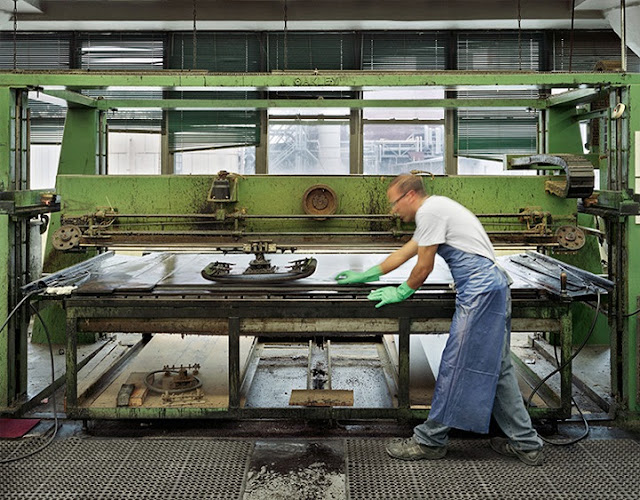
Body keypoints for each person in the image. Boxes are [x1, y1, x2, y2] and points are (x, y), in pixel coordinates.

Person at [334, 173, 544, 466]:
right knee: (498, 369)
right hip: (492, 289)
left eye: (394, 203)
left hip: (480, 294)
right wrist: (368, 274)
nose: (393, 210)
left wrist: (403, 291)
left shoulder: (430, 211)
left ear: (409, 196)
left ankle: (430, 441)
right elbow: (406, 252)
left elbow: (423, 265)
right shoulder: (436, 209)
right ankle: (527, 445)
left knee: (456, 365)